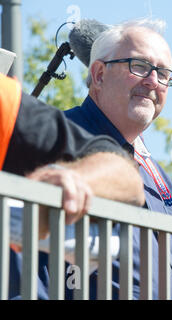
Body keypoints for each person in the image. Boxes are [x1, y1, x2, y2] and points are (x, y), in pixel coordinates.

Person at [64, 18, 172, 299]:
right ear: (100, 75)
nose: (153, 81)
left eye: (164, 73)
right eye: (139, 66)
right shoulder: (58, 141)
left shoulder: (156, 172)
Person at [0, 72, 146, 299]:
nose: (152, 80)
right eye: (138, 67)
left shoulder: (3, 101)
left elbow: (125, 175)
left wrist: (69, 180)